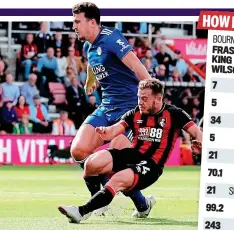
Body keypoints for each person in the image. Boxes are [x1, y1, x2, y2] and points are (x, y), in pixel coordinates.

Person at [58, 78, 203, 223]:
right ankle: (103, 203)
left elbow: (197, 132)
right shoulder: (135, 112)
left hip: (151, 165)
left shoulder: (174, 114)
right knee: (91, 163)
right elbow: (115, 129)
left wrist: (199, 143)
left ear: (158, 98)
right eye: (139, 97)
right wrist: (105, 131)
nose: (140, 102)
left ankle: (81, 212)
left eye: (145, 98)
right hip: (132, 155)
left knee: (117, 180)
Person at [70, 2, 152, 215]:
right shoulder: (88, 45)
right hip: (107, 107)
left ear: (92, 22)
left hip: (129, 110)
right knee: (78, 150)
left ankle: (143, 204)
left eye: (78, 21)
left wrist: (152, 103)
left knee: (114, 163)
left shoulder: (112, 38)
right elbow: (93, 61)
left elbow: (138, 68)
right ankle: (100, 201)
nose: (74, 26)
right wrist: (91, 79)